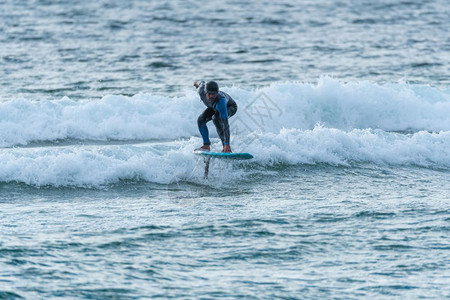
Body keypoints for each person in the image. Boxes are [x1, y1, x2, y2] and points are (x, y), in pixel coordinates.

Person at [194, 80, 237, 153]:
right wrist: (196, 83)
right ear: (205, 92)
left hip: (230, 107)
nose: (211, 96)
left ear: (217, 93)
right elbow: (201, 82)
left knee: (216, 118)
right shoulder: (201, 91)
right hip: (214, 107)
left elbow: (225, 123)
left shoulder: (221, 101)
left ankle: (226, 148)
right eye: (209, 94)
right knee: (201, 120)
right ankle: (206, 145)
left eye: (214, 94)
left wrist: (227, 144)